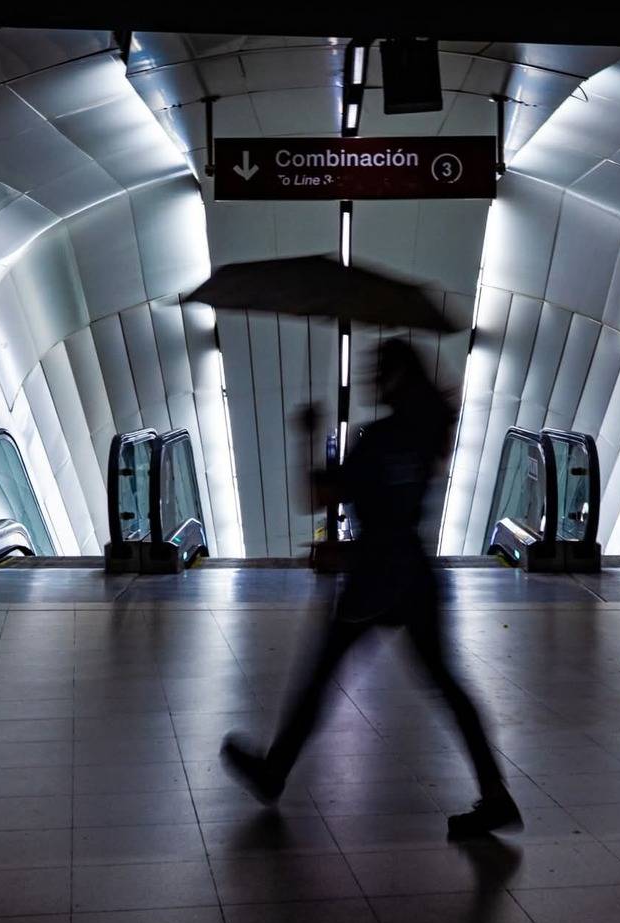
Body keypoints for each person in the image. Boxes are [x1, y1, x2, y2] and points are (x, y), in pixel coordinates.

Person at [221, 338, 522, 839]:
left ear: (396, 377)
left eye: (377, 368)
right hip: (414, 575)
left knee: (319, 677)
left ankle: (274, 772)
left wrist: (308, 434)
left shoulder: (377, 438)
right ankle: (495, 794)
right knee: (447, 686)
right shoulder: (427, 433)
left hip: (373, 579)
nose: (368, 377)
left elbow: (317, 496)